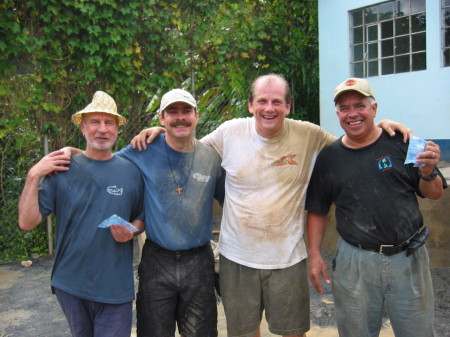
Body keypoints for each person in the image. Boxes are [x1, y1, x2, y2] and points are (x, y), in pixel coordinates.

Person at [132, 74, 411, 337]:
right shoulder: (229, 133)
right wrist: (162, 130)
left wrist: (380, 126)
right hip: (236, 257)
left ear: (288, 106)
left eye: (277, 101)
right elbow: (187, 149)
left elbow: (352, 143)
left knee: (293, 332)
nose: (269, 108)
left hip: (287, 257)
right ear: (251, 105)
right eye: (262, 101)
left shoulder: (309, 135)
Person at [65, 88, 225, 337]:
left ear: (197, 115)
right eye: (172, 112)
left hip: (199, 263)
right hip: (157, 261)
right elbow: (102, 161)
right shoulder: (143, 149)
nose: (180, 117)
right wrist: (70, 153)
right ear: (161, 118)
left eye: (186, 111)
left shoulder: (212, 158)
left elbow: (231, 201)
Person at [305, 77, 447, 337]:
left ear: (374, 108)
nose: (352, 114)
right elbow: (317, 209)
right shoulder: (328, 158)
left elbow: (435, 193)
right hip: (355, 262)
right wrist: (314, 255)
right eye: (344, 108)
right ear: (337, 113)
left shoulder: (406, 142)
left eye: (359, 105)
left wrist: (428, 172)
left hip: (408, 258)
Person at [18, 91, 145, 337]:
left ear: (117, 129)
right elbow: (27, 222)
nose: (102, 129)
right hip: (71, 283)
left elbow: (141, 217)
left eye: (109, 122)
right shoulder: (61, 169)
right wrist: (34, 175)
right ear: (83, 128)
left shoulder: (131, 172)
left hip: (115, 287)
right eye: (95, 122)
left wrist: (132, 230)